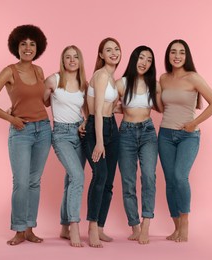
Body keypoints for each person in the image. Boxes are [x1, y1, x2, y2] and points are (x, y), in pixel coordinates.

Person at [0, 24, 51, 246]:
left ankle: (30, 228)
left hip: (44, 130)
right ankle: (19, 230)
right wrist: (11, 118)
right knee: (21, 182)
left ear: (37, 47)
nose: (28, 47)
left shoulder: (39, 71)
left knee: (34, 182)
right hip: (21, 132)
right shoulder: (9, 71)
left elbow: (43, 101)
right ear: (16, 47)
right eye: (23, 44)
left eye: (32, 44)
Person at [158, 39, 212, 242]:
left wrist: (193, 123)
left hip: (188, 136)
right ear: (168, 55)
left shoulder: (193, 77)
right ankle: (176, 227)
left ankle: (184, 224)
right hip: (165, 135)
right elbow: (160, 106)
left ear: (187, 56)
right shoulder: (163, 78)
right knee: (169, 181)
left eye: (181, 53)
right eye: (173, 52)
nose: (177, 56)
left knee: (179, 176)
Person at [115, 45, 162, 244]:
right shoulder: (122, 83)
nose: (144, 62)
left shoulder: (155, 84)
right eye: (141, 58)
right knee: (128, 181)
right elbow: (105, 105)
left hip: (148, 132)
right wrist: (117, 108)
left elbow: (161, 107)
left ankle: (146, 225)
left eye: (149, 60)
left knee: (149, 177)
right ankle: (134, 225)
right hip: (126, 133)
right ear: (134, 60)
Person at [43, 45, 88, 247]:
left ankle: (63, 227)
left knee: (71, 179)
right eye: (68, 57)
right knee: (78, 177)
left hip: (79, 133)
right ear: (63, 60)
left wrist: (85, 123)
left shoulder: (83, 84)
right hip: (61, 134)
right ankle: (74, 226)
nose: (72, 60)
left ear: (80, 60)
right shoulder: (54, 80)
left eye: (75, 57)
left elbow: (88, 112)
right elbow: (40, 102)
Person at [81, 37, 121, 248]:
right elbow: (96, 111)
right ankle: (92, 227)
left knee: (109, 181)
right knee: (100, 175)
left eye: (116, 49)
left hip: (112, 127)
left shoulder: (113, 78)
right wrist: (98, 141)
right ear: (101, 55)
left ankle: (102, 227)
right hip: (97, 129)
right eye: (108, 50)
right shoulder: (101, 75)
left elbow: (109, 108)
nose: (113, 53)